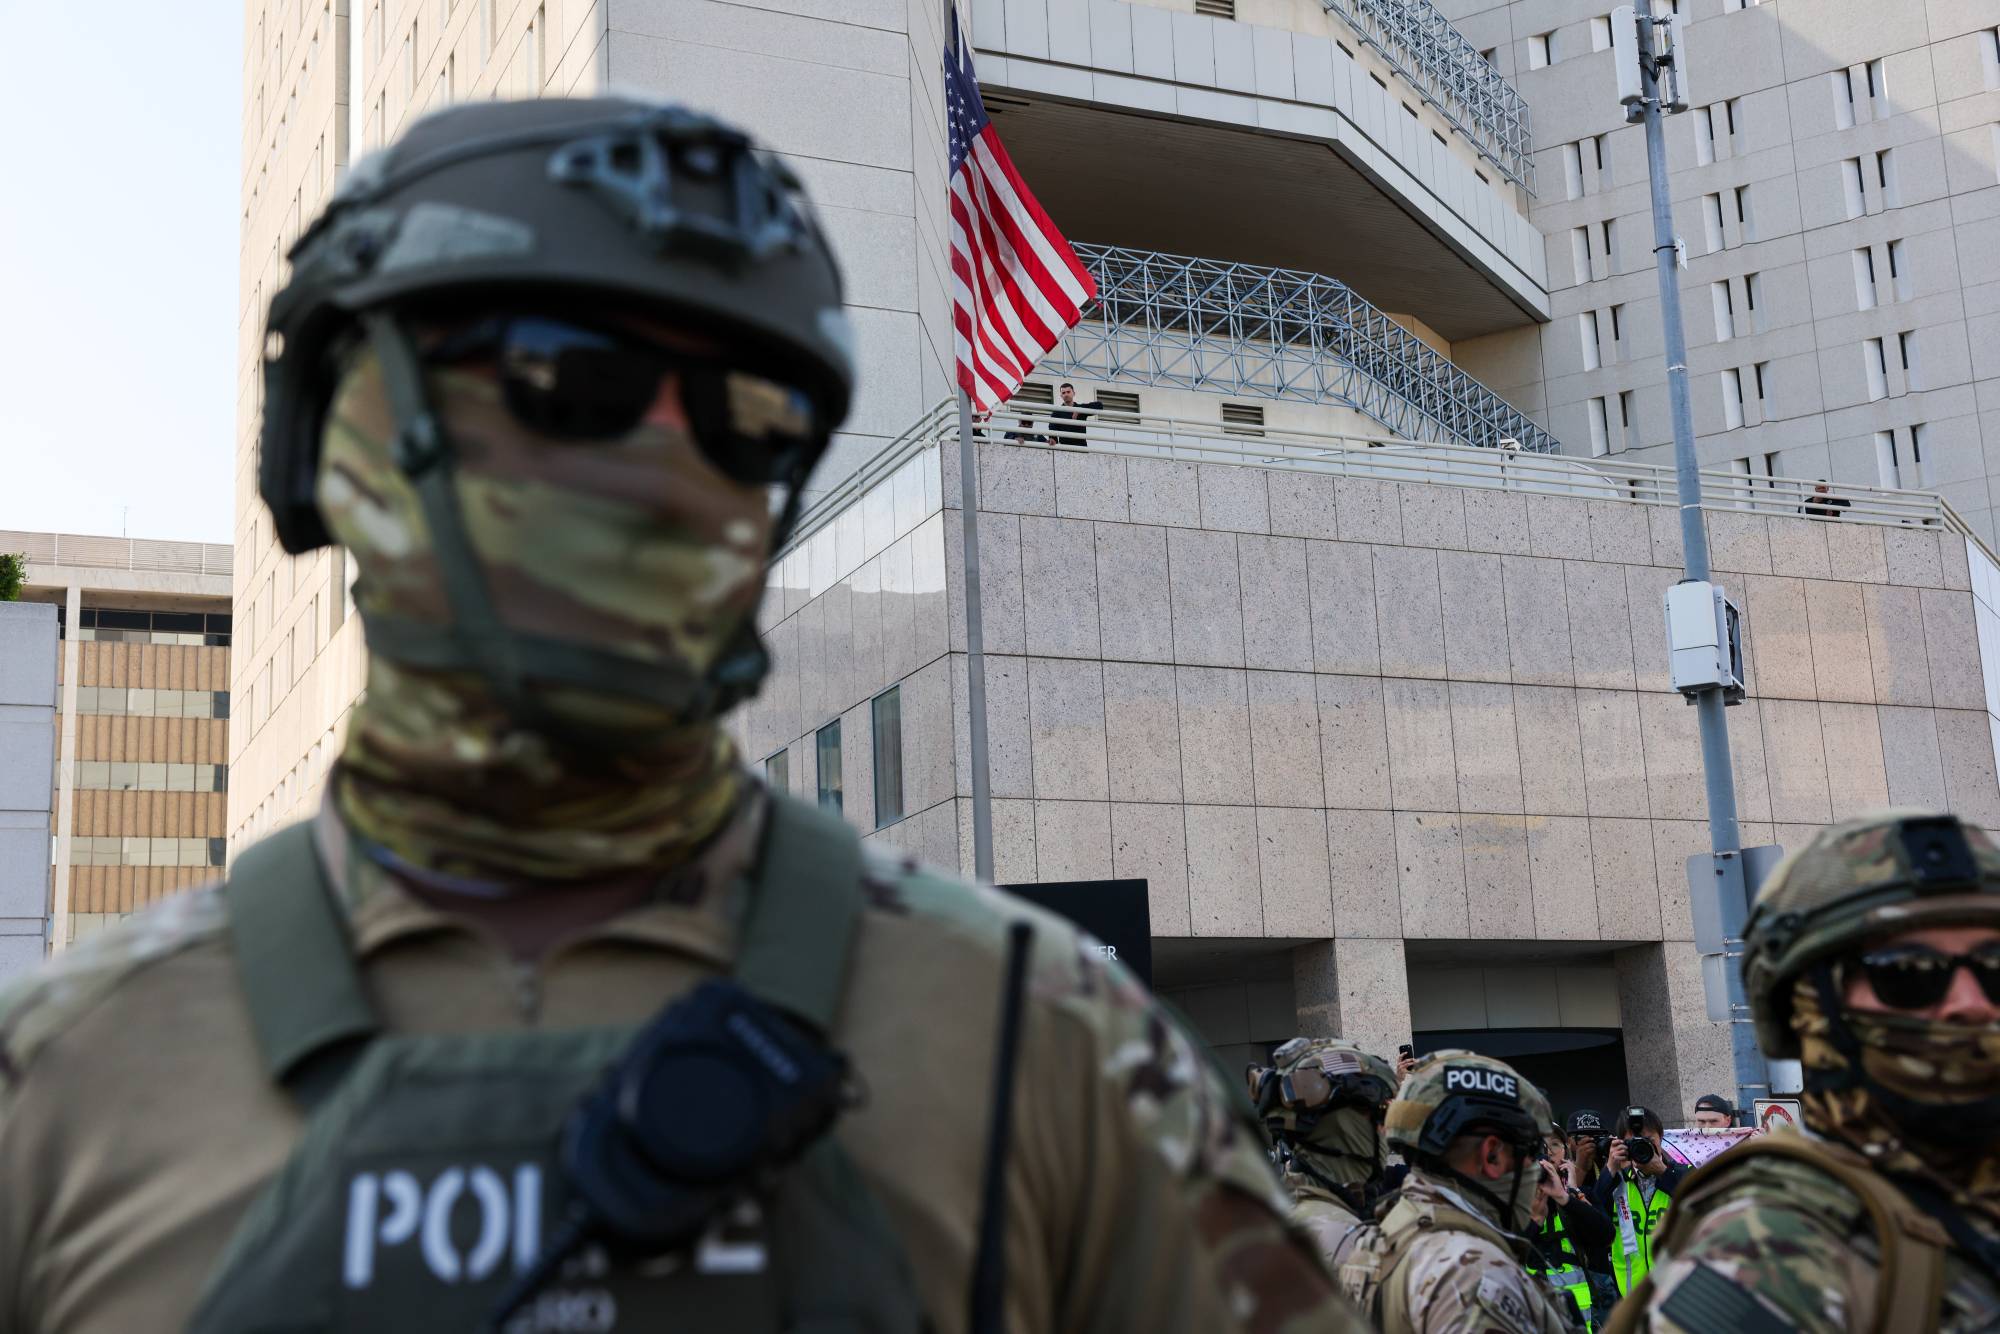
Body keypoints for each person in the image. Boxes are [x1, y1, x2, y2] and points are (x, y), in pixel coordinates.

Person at [0, 98, 1369, 1334]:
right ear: (333, 433)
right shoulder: (63, 1080)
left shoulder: (1045, 1044)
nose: (669, 468)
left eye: (743, 415)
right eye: (567, 380)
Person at [1608, 810, 2000, 1332]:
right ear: (1806, 1006)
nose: (1972, 1004)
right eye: (1908, 971)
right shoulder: (1766, 1256)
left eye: (1995, 966)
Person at [1342, 1050, 1581, 1333]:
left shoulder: (1379, 1239)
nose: (1535, 1167)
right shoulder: (1479, 1277)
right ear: (1492, 1155)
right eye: (1529, 1151)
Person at [1248, 1037, 1398, 1282]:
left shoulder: (1279, 1213)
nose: (1386, 1129)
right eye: (1381, 1113)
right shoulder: (1350, 1246)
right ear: (1344, 1125)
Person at [1588, 1106, 1687, 1298]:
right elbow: (1594, 1221)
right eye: (1633, 1143)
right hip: (1632, 1297)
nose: (1642, 1147)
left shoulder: (1683, 1174)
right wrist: (1610, 1169)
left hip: (1678, 1295)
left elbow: (1702, 1208)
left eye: (1649, 1141)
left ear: (1661, 1137)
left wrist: (1663, 1172)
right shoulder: (1616, 1183)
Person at [1533, 1127, 1616, 1330]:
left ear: (1566, 1150)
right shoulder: (1514, 1198)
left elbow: (1606, 1235)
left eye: (1554, 1144)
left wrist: (1567, 1196)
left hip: (1579, 1318)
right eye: (1541, 1145)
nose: (1548, 1152)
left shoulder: (1576, 1196)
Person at [1048, 381, 1104, 446]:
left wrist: (1079, 410)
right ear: (1061, 396)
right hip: (1065, 448)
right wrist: (1053, 439)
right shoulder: (1057, 412)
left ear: (1074, 393)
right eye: (1063, 393)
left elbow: (1099, 405)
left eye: (1068, 392)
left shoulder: (1081, 408)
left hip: (1081, 447)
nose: (1066, 394)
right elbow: (1052, 429)